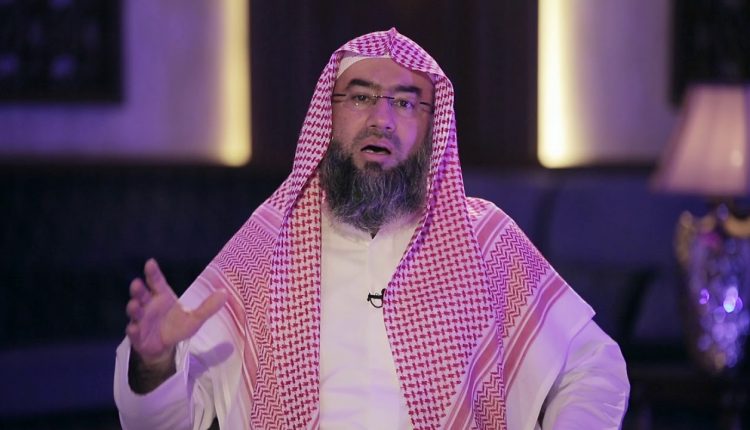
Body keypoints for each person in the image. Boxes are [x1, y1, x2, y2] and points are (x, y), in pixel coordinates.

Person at [113, 28, 629, 429]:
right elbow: (162, 422)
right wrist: (153, 362)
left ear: (431, 127)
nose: (381, 119)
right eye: (361, 98)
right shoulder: (268, 245)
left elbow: (594, 367)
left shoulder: (483, 241)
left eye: (404, 102)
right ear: (329, 114)